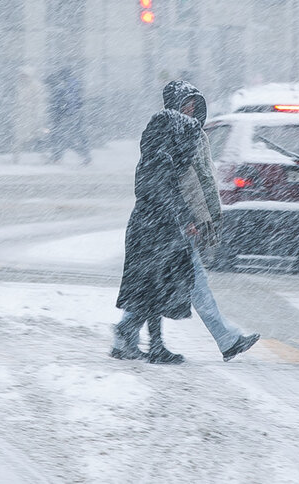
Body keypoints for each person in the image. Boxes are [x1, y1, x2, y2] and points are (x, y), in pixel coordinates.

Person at [111, 80, 260, 364]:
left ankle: (130, 335)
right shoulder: (169, 142)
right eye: (185, 104)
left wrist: (200, 218)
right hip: (162, 226)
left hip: (166, 225)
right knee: (180, 283)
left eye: (194, 104)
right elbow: (170, 186)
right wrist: (188, 218)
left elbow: (191, 183)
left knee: (156, 285)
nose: (191, 110)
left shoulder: (182, 139)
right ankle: (222, 339)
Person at [45, 67, 91, 165]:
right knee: (77, 135)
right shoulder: (74, 83)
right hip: (75, 113)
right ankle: (85, 155)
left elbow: (61, 102)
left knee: (61, 136)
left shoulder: (63, 86)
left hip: (67, 115)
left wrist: (59, 114)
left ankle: (57, 157)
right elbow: (78, 99)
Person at [12, 66, 48, 164]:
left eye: (24, 75)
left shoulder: (36, 86)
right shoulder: (20, 86)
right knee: (19, 137)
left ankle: (44, 156)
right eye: (21, 75)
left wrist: (39, 115)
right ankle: (16, 157)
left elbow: (40, 102)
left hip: (33, 116)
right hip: (22, 116)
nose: (21, 77)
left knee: (39, 137)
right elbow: (17, 101)